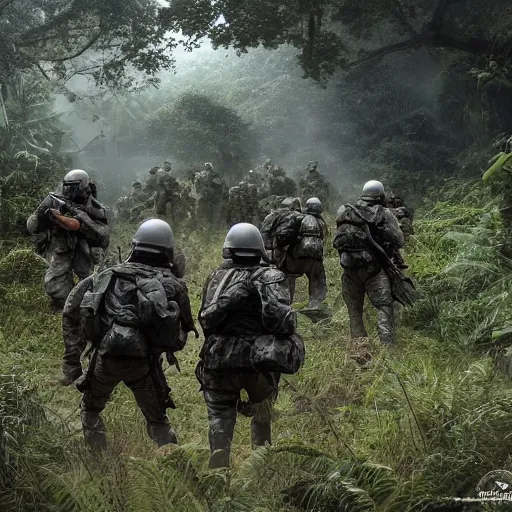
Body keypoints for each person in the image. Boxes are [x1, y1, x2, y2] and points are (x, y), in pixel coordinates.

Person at [60, 219, 198, 450]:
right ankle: (177, 467)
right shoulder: (173, 284)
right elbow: (179, 338)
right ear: (167, 251)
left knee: (90, 410)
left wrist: (72, 360)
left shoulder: (104, 275)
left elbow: (70, 310)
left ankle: (99, 461)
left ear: (134, 246)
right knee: (158, 422)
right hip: (144, 365)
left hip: (105, 357)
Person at [197, 223, 304, 468]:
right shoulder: (271, 276)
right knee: (261, 416)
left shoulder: (216, 277)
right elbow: (283, 324)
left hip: (218, 359)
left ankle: (218, 474)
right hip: (260, 360)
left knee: (219, 419)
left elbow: (205, 321)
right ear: (259, 249)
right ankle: (260, 469)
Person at [26, 169, 110, 311]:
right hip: (62, 243)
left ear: (83, 186)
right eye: (68, 185)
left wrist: (79, 224)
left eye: (74, 186)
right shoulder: (55, 198)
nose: (70, 189)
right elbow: (33, 225)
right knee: (54, 283)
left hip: (85, 245)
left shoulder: (93, 206)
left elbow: (103, 236)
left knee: (90, 278)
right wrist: (45, 217)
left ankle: (92, 306)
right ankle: (65, 306)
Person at [333, 180, 404, 345]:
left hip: (349, 268)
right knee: (384, 307)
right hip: (374, 269)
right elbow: (399, 241)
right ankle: (388, 350)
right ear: (380, 194)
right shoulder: (384, 212)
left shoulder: (344, 210)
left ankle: (360, 347)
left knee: (354, 311)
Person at [285, 197, 328, 308]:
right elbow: (323, 240)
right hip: (314, 259)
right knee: (317, 278)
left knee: (288, 277)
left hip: (296, 258)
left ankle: (286, 303)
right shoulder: (322, 223)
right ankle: (315, 304)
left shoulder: (299, 218)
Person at [194, 163, 228, 228]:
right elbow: (198, 187)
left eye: (208, 166)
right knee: (200, 209)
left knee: (214, 213)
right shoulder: (201, 174)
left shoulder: (215, 175)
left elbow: (218, 186)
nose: (207, 167)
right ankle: (202, 226)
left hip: (213, 196)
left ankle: (213, 227)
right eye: (206, 166)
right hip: (204, 195)